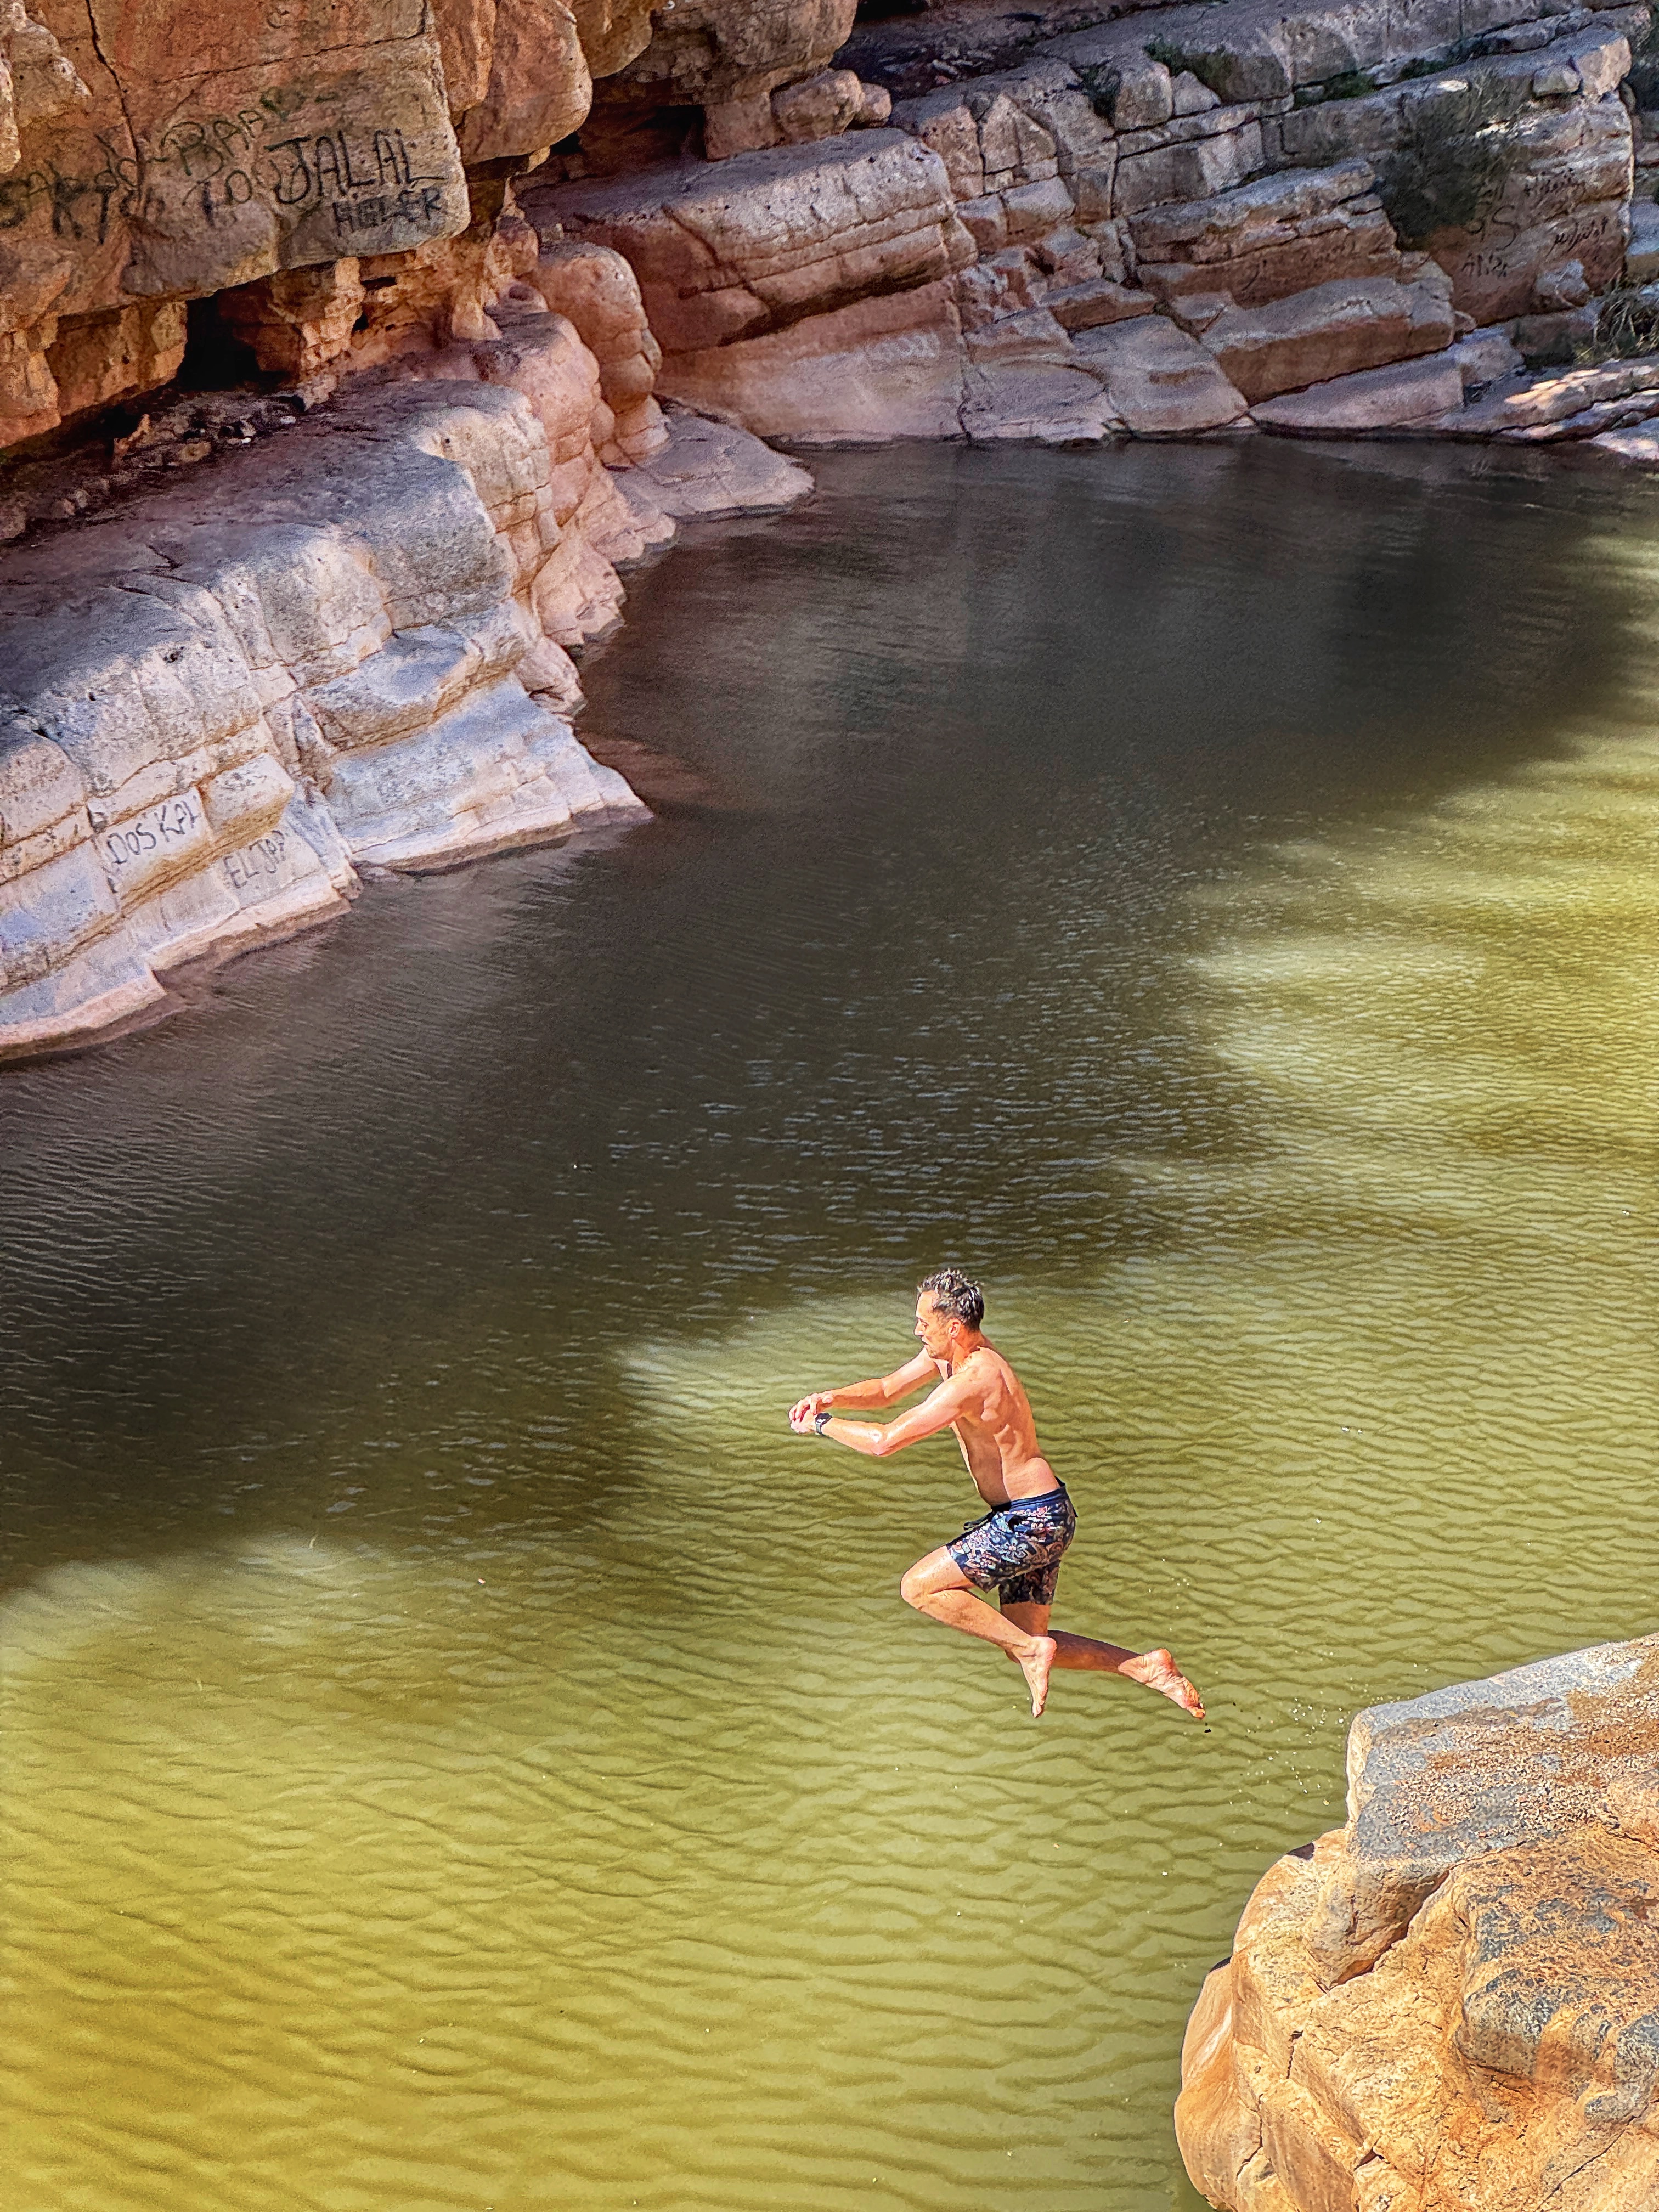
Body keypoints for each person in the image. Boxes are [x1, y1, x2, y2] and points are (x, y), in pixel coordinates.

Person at [788, 1269, 1205, 1722]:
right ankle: (1146, 1668)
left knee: (919, 1588)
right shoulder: (952, 1357)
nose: (916, 1331)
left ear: (953, 1327)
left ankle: (1032, 1651)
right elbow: (888, 1390)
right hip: (1045, 1516)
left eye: (922, 1323)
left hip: (1029, 1522)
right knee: (1018, 1640)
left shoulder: (976, 1379)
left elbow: (884, 1441)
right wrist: (827, 1398)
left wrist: (821, 1426)